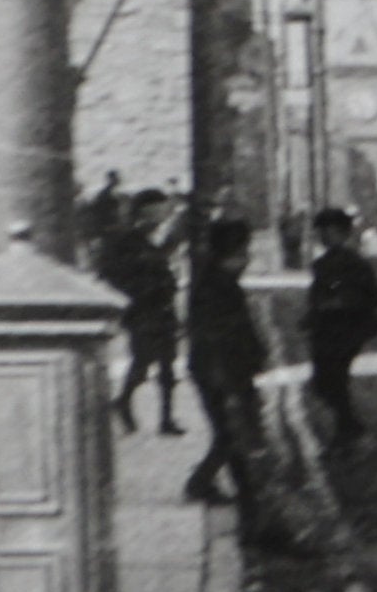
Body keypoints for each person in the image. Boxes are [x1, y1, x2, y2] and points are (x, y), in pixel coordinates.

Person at [181, 217, 271, 512]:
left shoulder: (219, 281)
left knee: (229, 434)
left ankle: (210, 484)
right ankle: (243, 499)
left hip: (226, 371)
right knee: (231, 433)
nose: (246, 261)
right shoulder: (216, 287)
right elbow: (218, 337)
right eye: (242, 254)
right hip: (220, 373)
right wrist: (229, 381)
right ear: (228, 253)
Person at [100, 189, 184, 434]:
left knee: (168, 364)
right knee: (143, 362)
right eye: (157, 210)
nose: (162, 215)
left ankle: (166, 419)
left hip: (163, 308)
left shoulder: (154, 239)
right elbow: (114, 276)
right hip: (142, 311)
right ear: (144, 212)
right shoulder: (125, 240)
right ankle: (124, 400)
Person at [301, 205, 377, 449]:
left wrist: (340, 303)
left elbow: (372, 297)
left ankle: (347, 432)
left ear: (343, 233)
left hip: (346, 331)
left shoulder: (356, 264)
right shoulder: (322, 264)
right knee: (325, 383)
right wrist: (312, 314)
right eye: (321, 232)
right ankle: (349, 428)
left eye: (329, 231)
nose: (324, 236)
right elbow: (317, 296)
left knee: (331, 381)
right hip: (325, 330)